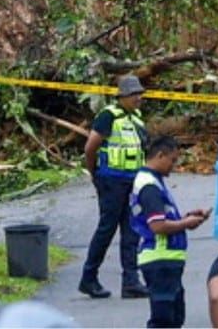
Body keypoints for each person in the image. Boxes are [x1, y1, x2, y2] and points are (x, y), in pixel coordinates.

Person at [81, 73, 149, 299]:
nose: (138, 98)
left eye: (139, 93)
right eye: (134, 94)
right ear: (122, 96)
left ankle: (131, 281)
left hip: (132, 181)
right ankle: (88, 278)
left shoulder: (136, 118)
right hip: (111, 181)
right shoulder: (107, 116)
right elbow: (90, 148)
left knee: (132, 231)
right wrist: (95, 174)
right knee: (107, 229)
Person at [134, 134, 213, 328]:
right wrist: (186, 224)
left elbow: (161, 219)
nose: (174, 166)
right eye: (172, 160)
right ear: (160, 155)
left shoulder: (153, 180)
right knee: (164, 320)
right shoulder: (149, 186)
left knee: (175, 316)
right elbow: (158, 226)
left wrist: (187, 217)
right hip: (160, 259)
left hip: (167, 259)